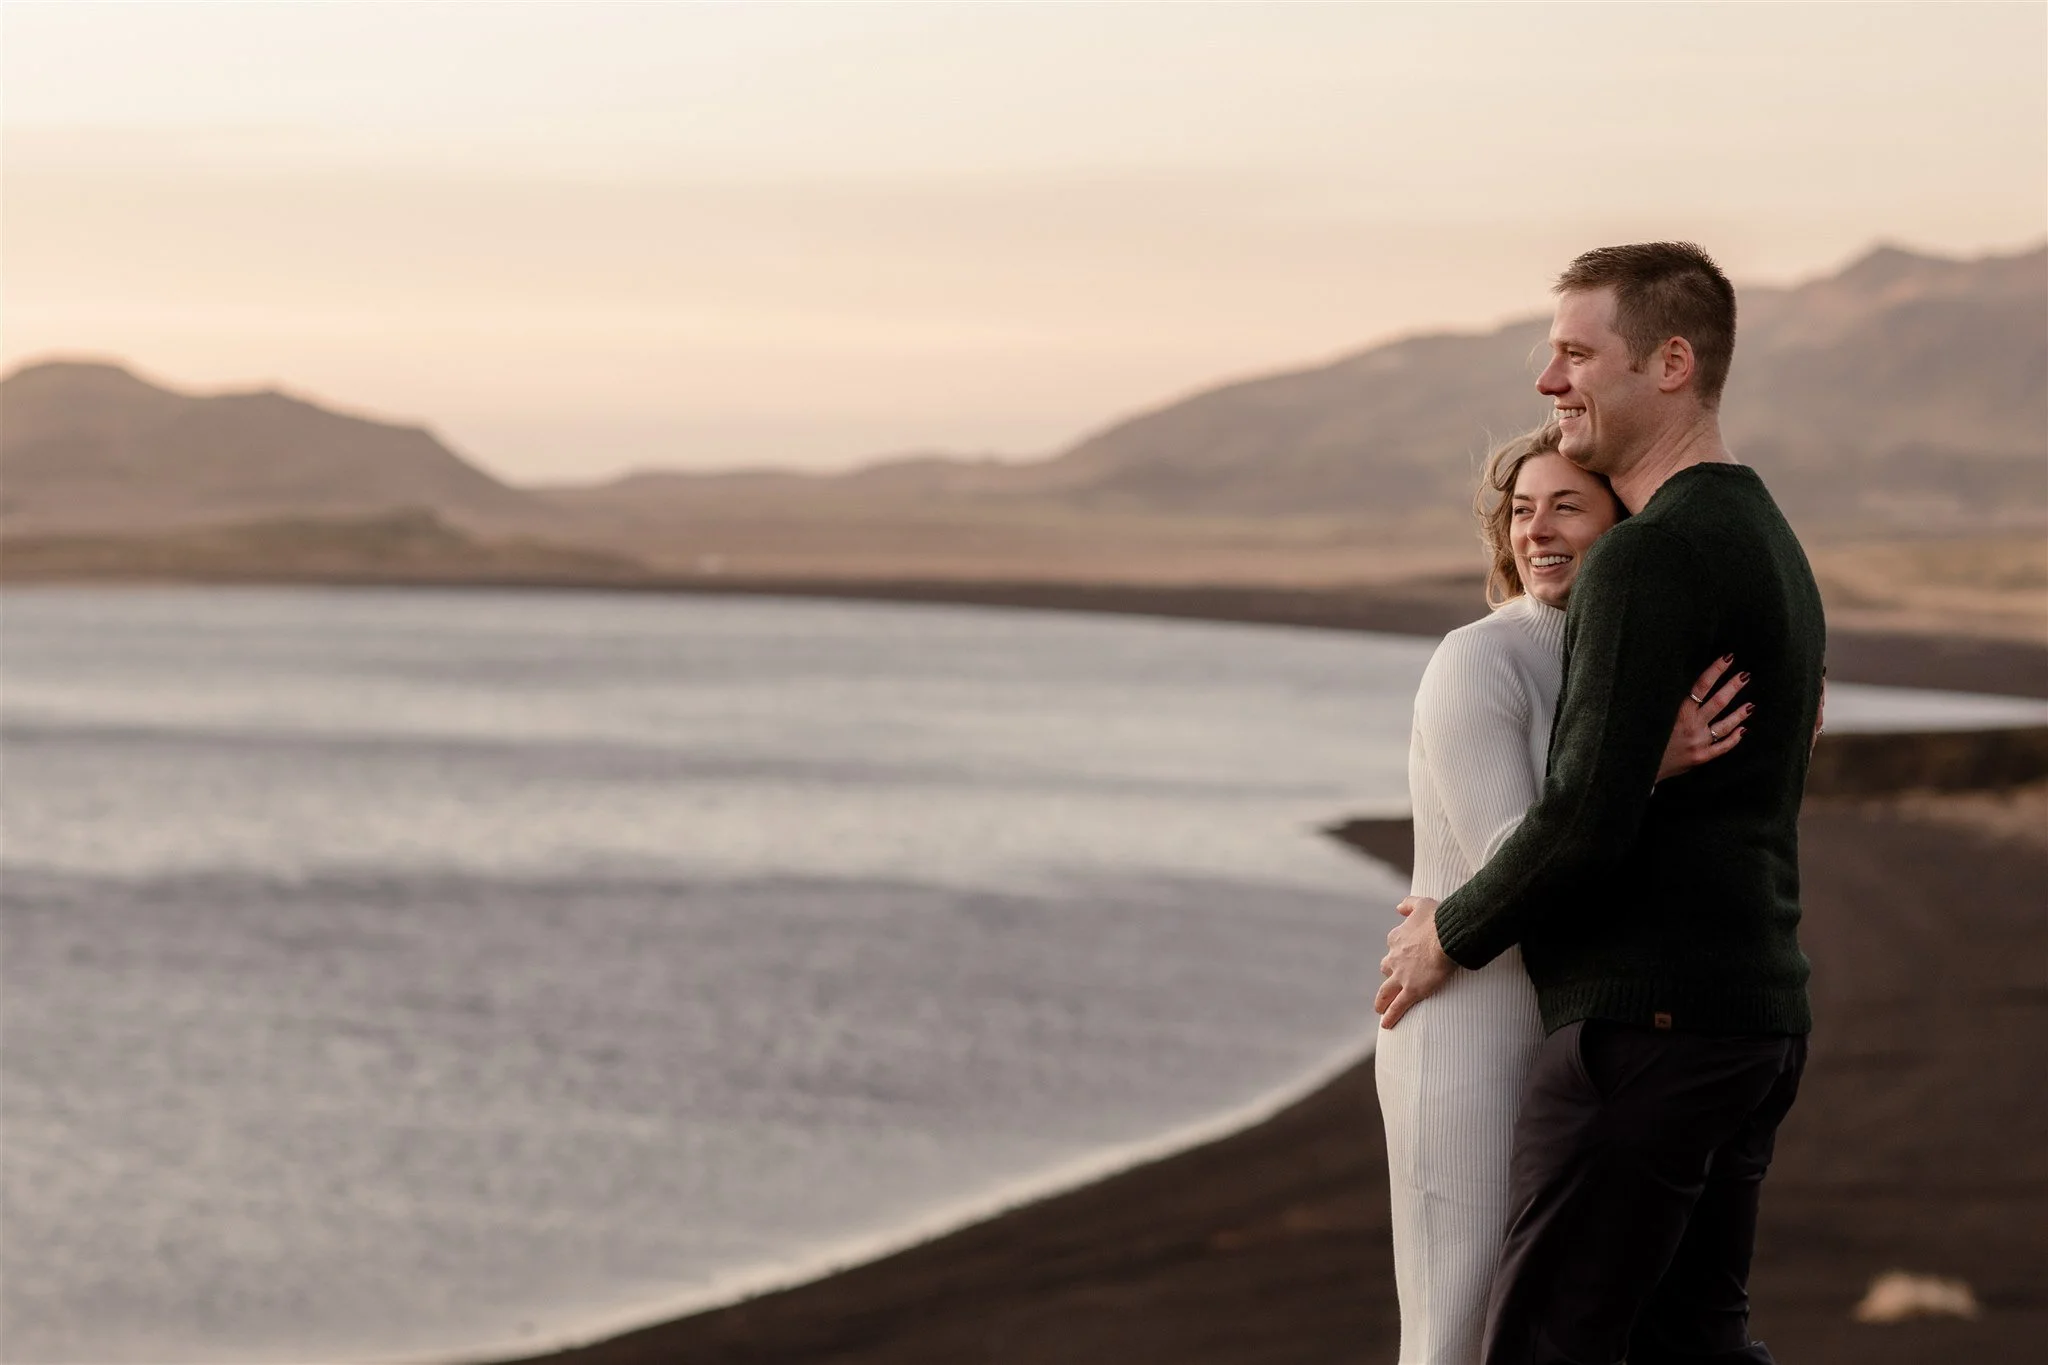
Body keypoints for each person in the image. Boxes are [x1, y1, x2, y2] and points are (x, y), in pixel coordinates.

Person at [1376, 242, 1827, 1365]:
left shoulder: (1652, 557)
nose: (1548, 381)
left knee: (1543, 1343)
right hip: (1753, 1017)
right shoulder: (1765, 536)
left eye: (1576, 353)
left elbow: (1578, 823)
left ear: (1670, 362)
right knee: (1690, 1347)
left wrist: (1448, 933)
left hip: (1650, 1026)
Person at [1377, 420, 1751, 1365]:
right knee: (1457, 1321)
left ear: (1622, 522)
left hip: (1572, 1026)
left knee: (1550, 1316)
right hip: (1463, 1012)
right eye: (1520, 511)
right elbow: (1519, 852)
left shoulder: (1618, 657)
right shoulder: (1479, 660)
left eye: (1566, 507)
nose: (1536, 530)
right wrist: (1643, 767)